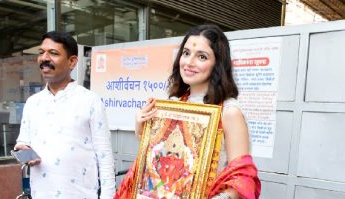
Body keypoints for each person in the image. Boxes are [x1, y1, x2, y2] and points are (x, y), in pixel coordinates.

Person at [116, 24, 260, 199]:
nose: (189, 62)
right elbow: (156, 156)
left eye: (201, 56)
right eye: (186, 53)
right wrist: (141, 125)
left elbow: (242, 179)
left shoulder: (229, 112)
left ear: (218, 64)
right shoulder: (174, 104)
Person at [15, 31, 116, 199]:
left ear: (72, 62)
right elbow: (22, 143)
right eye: (41, 53)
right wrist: (23, 151)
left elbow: (105, 157)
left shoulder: (90, 101)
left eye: (53, 53)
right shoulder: (33, 103)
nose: (44, 58)